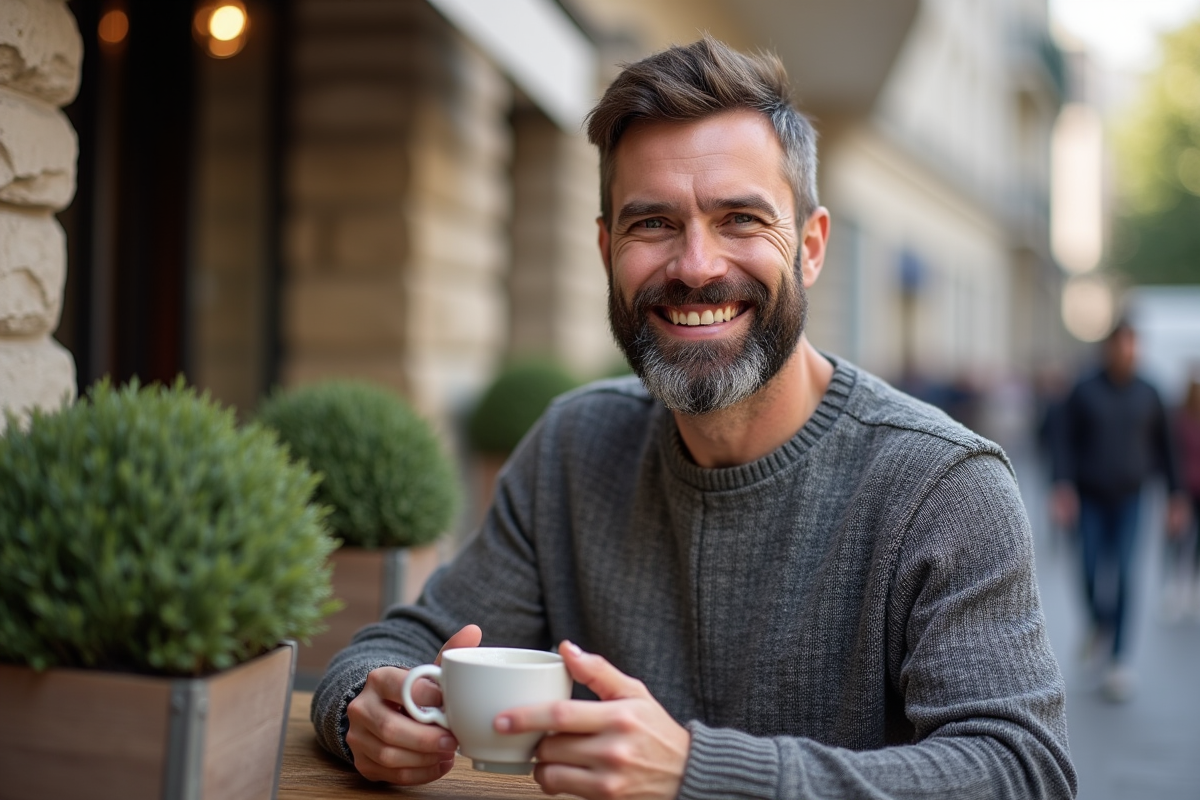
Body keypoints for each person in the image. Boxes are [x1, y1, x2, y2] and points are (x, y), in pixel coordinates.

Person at [312, 37, 1075, 799]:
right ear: (607, 248)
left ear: (810, 247)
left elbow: (1021, 771)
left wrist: (696, 774)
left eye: (741, 218)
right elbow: (403, 643)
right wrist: (363, 710)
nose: (696, 265)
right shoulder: (572, 448)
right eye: (652, 225)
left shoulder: (943, 486)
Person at [1050, 321, 1189, 701]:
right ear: (1109, 348)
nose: (1128, 352)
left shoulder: (1149, 392)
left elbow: (1167, 448)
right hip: (1090, 497)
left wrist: (1176, 496)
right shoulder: (1084, 389)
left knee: (1126, 574)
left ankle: (1118, 660)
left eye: (1134, 346)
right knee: (1091, 570)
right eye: (1122, 345)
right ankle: (1099, 623)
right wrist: (1061, 486)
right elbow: (1063, 440)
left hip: (1131, 498)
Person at [1167, 377, 1200, 618]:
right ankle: (1175, 585)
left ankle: (1193, 586)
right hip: (1185, 489)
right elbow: (1172, 455)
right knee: (1178, 538)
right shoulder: (1179, 420)